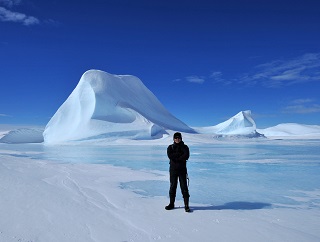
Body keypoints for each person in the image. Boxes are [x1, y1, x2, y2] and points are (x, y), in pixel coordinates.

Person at [165, 132, 191, 212]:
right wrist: (180, 156)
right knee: (173, 187)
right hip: (173, 171)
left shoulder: (185, 147)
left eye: (178, 138)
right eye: (175, 138)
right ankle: (171, 204)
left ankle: (186, 205)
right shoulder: (170, 147)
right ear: (173, 139)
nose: (177, 139)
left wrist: (177, 157)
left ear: (181, 138)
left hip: (182, 170)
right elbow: (170, 156)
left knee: (184, 187)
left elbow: (186, 155)